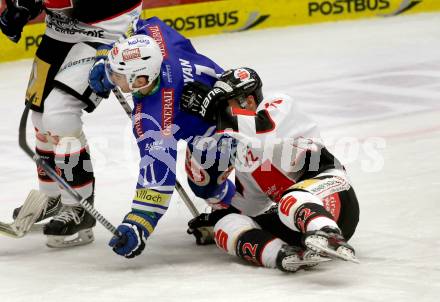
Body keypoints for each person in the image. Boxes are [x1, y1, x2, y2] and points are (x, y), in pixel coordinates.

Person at [180, 67, 360, 272]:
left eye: (225, 103)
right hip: (295, 220)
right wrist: (214, 218)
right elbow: (248, 205)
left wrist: (215, 110)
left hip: (334, 194)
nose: (221, 113)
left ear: (247, 100)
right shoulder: (242, 154)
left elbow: (263, 132)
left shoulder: (279, 105)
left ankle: (328, 233)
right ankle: (283, 255)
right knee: (226, 225)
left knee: (291, 199)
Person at [88, 17, 235, 258]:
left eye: (119, 75)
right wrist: (106, 59)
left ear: (141, 80)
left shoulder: (155, 119)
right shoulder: (157, 39)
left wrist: (139, 224)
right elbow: (132, 23)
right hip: (235, 94)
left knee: (203, 184)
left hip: (223, 132)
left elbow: (158, 177)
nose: (112, 77)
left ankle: (233, 207)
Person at [0, 0, 144, 247]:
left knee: (59, 114)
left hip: (105, 32)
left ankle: (79, 207)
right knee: (39, 116)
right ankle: (52, 197)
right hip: (59, 31)